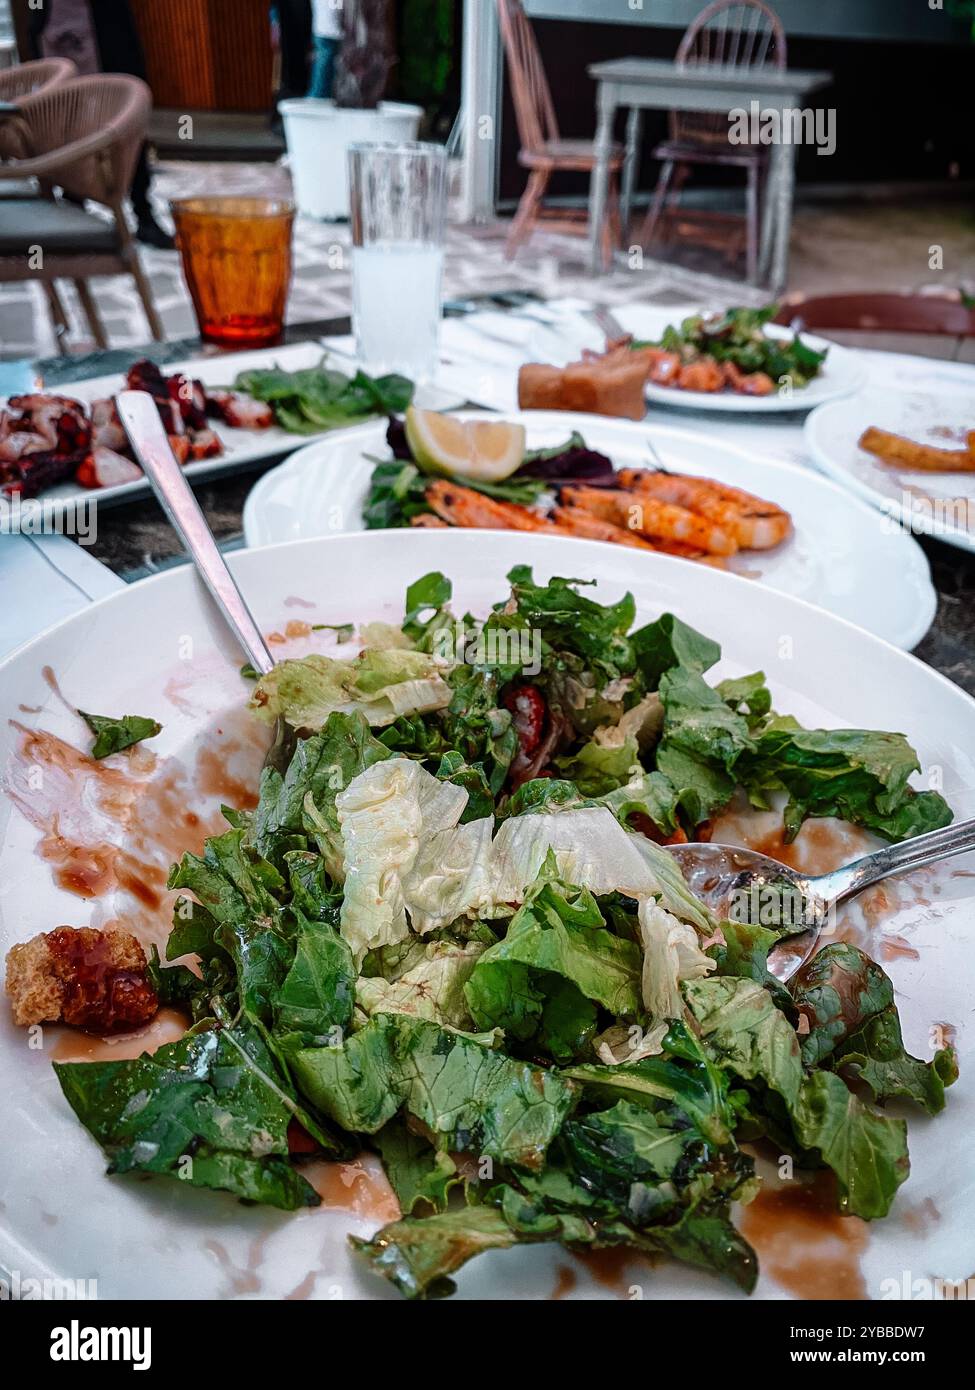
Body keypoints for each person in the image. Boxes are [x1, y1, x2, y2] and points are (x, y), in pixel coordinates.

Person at [31, 0, 174, 248]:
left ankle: (143, 211)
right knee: (67, 120)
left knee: (127, 121)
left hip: (108, 23)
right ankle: (73, 206)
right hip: (60, 22)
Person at [309, 0, 343, 99]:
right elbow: (336, 6)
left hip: (326, 30)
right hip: (330, 32)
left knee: (326, 79)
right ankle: (313, 107)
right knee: (323, 81)